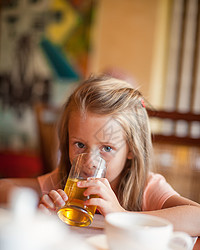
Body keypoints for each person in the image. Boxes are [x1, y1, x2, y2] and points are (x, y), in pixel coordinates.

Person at [1, 74, 200, 236]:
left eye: (106, 148)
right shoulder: (64, 183)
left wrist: (122, 215)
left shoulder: (147, 187)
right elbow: (4, 188)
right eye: (79, 144)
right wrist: (35, 208)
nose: (89, 162)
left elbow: (197, 218)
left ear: (131, 149)